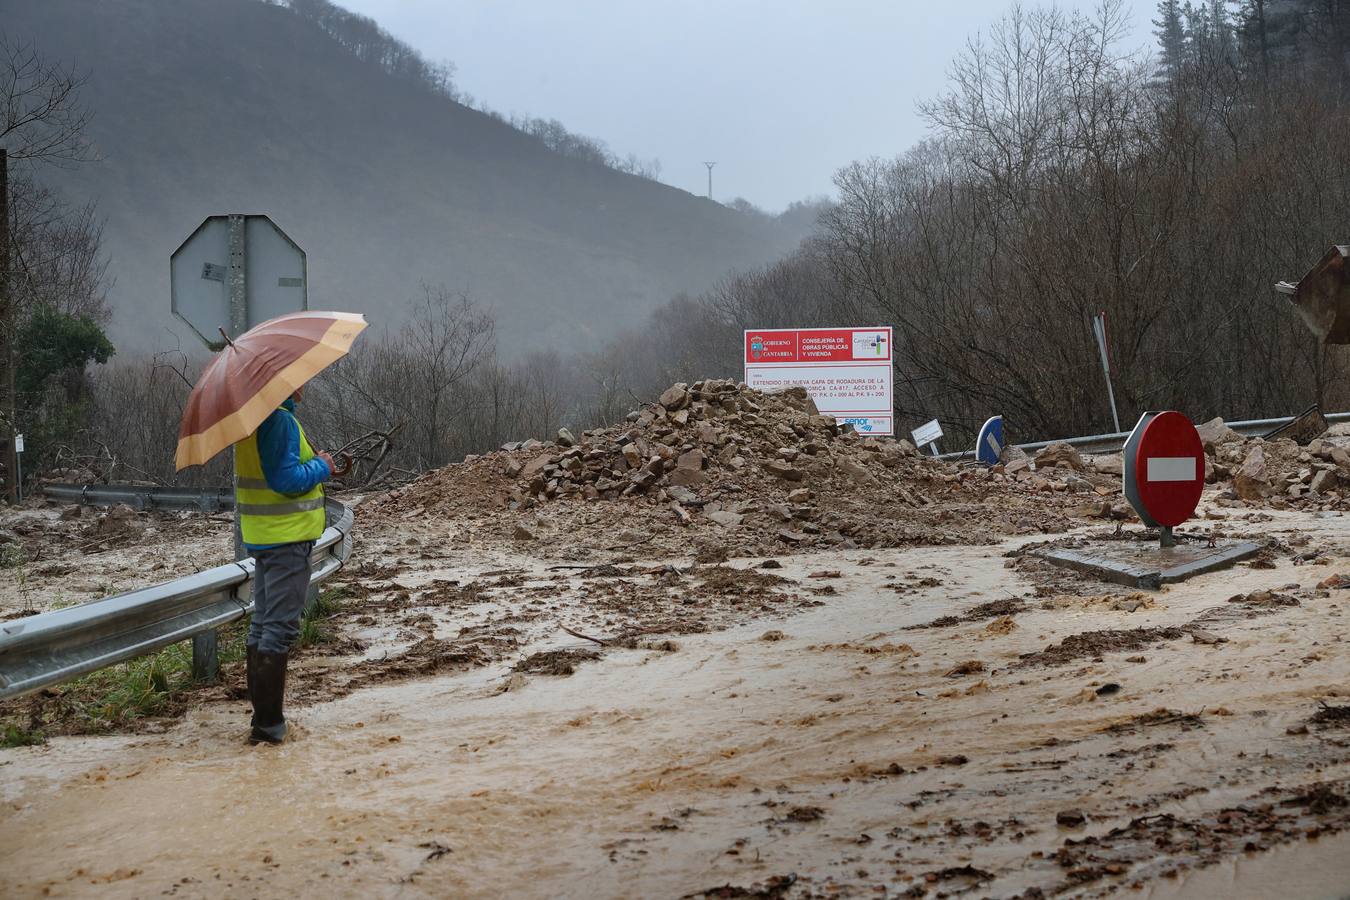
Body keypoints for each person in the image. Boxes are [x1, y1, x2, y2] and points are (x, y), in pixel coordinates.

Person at [235, 384, 339, 744]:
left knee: (263, 626)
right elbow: (286, 481)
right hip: (287, 539)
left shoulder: (253, 421)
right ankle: (269, 727)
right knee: (277, 630)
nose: (306, 383)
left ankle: (263, 722)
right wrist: (321, 466)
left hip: (266, 538)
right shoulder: (279, 421)